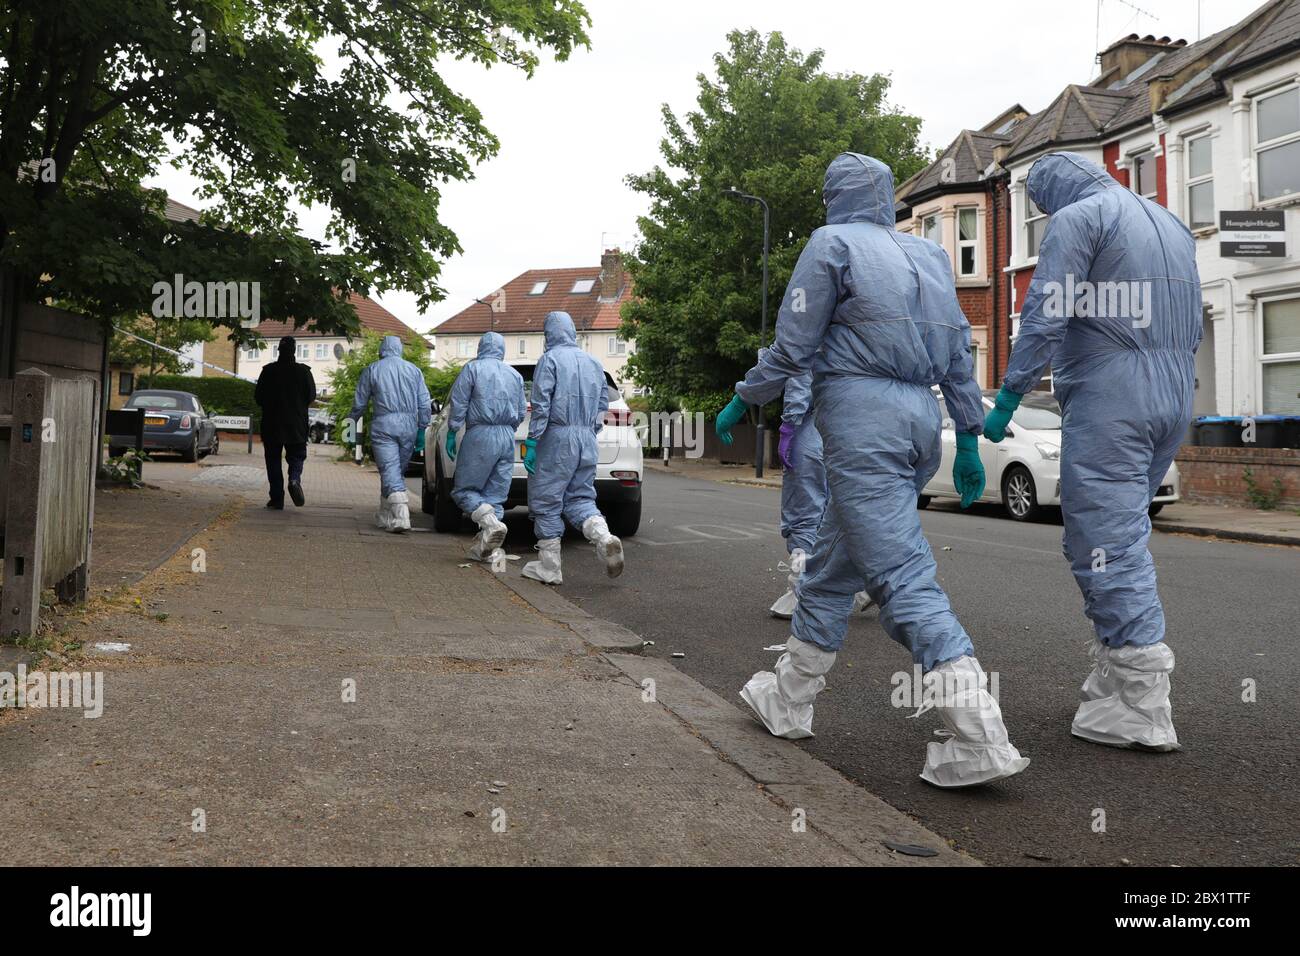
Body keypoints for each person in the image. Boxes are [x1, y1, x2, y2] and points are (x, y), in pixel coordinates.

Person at [715, 152, 1028, 788]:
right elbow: (958, 353)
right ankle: (788, 696)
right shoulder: (929, 255)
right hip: (921, 423)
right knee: (833, 570)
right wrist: (968, 436)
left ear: (836, 196)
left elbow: (795, 345)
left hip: (863, 421)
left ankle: (979, 735)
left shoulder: (831, 244)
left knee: (901, 574)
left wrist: (745, 397)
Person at [983, 152, 1200, 752]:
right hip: (1173, 393)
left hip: (1113, 394)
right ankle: (1114, 672)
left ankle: (1141, 702)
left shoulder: (1081, 220)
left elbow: (1046, 312)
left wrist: (1010, 394)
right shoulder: (1168, 223)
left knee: (1104, 539)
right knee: (1125, 533)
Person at [520, 311, 624, 584]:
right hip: (587, 438)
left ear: (550, 333)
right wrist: (590, 431)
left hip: (557, 438)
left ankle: (550, 567)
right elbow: (603, 404)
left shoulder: (550, 359)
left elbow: (542, 402)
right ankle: (604, 537)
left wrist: (533, 440)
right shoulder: (593, 362)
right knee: (580, 498)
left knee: (547, 500)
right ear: (572, 331)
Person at [769, 373, 870, 620]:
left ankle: (801, 588)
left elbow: (799, 374)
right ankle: (872, 578)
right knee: (847, 511)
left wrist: (789, 424)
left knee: (804, 513)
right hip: (853, 429)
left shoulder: (809, 336)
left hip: (812, 430)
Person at [446, 331, 527, 561]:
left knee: (464, 490)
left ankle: (490, 524)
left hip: (481, 433)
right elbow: (521, 411)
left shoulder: (473, 369)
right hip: (506, 436)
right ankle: (488, 550)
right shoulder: (514, 375)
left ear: (480, 347)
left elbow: (459, 401)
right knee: (495, 494)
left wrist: (453, 429)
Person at [348, 334, 431, 533]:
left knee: (389, 469)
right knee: (395, 471)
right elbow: (424, 402)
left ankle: (402, 516)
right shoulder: (414, 371)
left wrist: (351, 424)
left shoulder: (373, 370)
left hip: (384, 424)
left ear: (382, 350)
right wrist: (422, 427)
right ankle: (385, 515)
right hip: (409, 426)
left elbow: (359, 403)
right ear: (400, 349)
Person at [254, 336, 316, 510]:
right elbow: (311, 396)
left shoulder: (268, 371)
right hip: (296, 424)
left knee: (273, 460)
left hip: (272, 424)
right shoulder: (304, 372)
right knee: (296, 456)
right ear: (294, 351)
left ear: (279, 351)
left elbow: (258, 397)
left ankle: (277, 498)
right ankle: (294, 479)